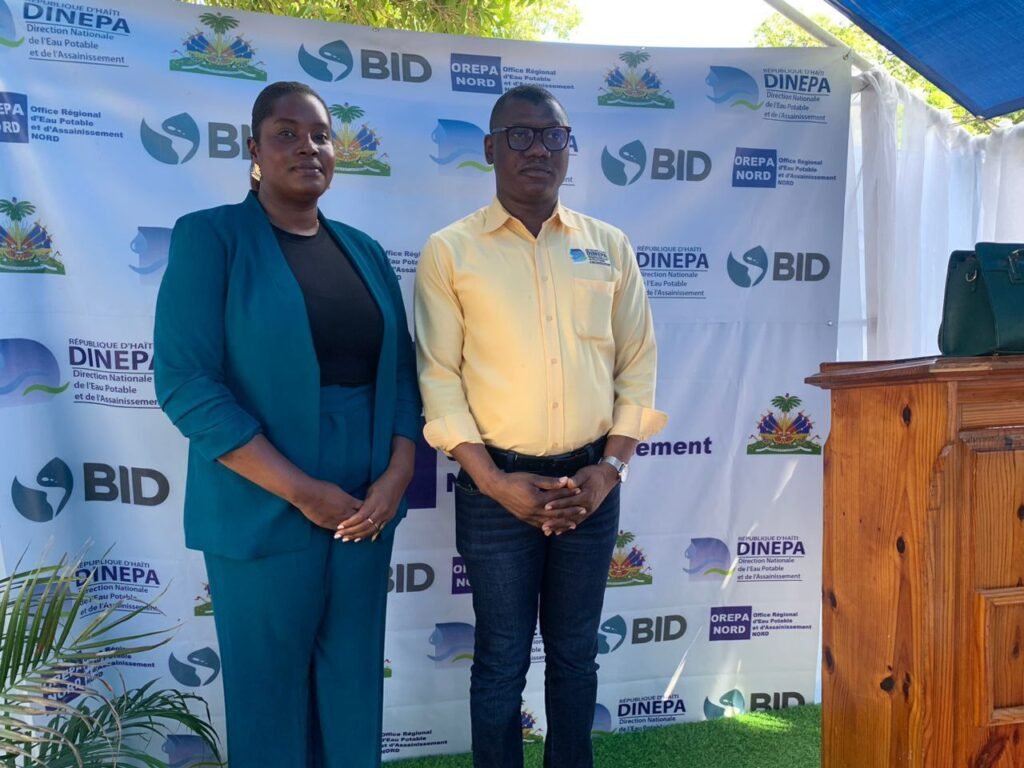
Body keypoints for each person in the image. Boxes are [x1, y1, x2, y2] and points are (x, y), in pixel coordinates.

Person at [153, 81, 421, 768]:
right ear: (253, 149)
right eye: (286, 134)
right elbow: (186, 383)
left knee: (352, 685)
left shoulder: (364, 251)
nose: (308, 147)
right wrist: (301, 491)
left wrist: (397, 475)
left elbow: (399, 374)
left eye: (321, 135)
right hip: (262, 499)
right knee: (269, 697)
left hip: (364, 504)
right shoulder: (210, 237)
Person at [414, 84, 667, 768]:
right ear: (490, 149)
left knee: (576, 653)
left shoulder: (608, 246)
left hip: (591, 483)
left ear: (569, 149)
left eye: (553, 136)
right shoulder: (451, 251)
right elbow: (438, 378)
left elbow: (638, 365)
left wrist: (608, 470)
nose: (538, 150)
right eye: (520, 136)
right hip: (494, 487)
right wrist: (495, 482)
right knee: (500, 656)